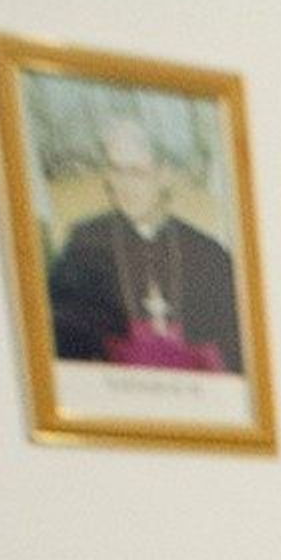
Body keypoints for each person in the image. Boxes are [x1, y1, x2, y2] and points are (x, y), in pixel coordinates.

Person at [44, 113, 242, 373]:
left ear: (164, 175)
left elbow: (236, 354)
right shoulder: (84, 243)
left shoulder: (207, 252)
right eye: (116, 170)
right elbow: (62, 344)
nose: (124, 185)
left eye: (137, 172)